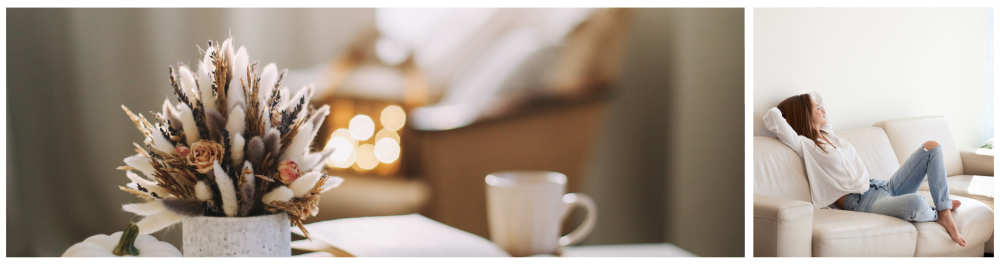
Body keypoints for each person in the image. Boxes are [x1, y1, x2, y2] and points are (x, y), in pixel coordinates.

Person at [763, 92, 966, 247]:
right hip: (860, 202)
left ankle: (943, 208)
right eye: (816, 109)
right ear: (805, 115)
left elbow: (817, 95)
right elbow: (772, 117)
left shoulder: (829, 134)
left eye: (819, 107)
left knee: (932, 147)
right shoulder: (804, 145)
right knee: (918, 203)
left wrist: (810, 103)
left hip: (881, 185)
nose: (822, 109)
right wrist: (797, 108)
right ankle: (939, 212)